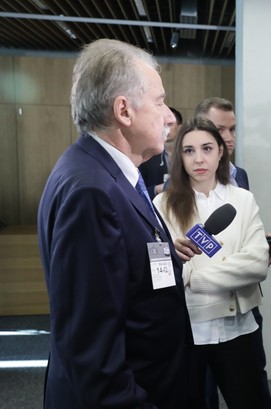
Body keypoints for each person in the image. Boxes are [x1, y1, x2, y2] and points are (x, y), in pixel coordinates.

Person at [37, 39, 192, 408]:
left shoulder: (105, 172)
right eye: (159, 101)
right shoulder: (93, 192)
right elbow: (93, 353)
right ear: (124, 110)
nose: (170, 116)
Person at [153, 116, 271, 409]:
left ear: (221, 151)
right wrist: (229, 266)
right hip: (187, 333)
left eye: (207, 148)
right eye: (189, 150)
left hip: (239, 329)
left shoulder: (243, 199)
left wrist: (195, 277)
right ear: (178, 157)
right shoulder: (161, 205)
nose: (199, 159)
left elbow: (257, 264)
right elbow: (160, 274)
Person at [194, 97, 249, 189]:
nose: (229, 138)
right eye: (219, 130)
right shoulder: (179, 183)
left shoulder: (240, 175)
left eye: (232, 129)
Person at [139, 106, 183, 198]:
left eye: (170, 124)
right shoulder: (147, 155)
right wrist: (157, 189)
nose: (165, 128)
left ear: (180, 127)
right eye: (162, 124)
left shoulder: (188, 152)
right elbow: (138, 191)